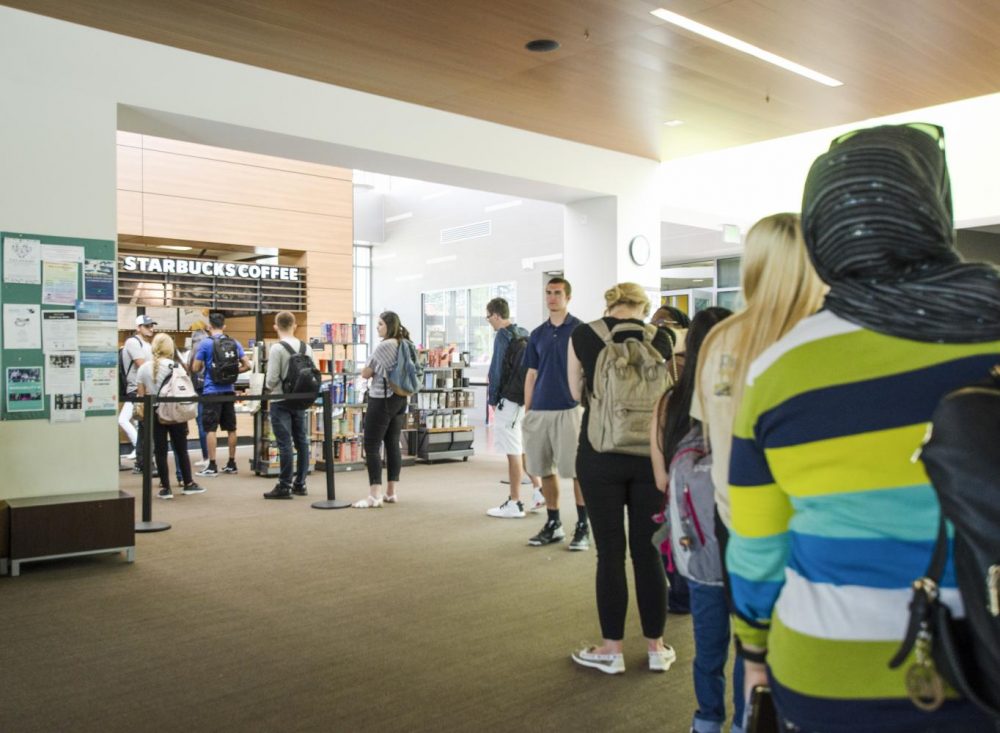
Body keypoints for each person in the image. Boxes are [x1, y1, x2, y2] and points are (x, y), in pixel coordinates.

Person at [727, 123, 1000, 733]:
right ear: (934, 209)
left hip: (827, 672)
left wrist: (751, 646)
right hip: (990, 666)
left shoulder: (780, 369)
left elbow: (758, 545)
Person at [684, 214, 824, 733]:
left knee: (750, 637)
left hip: (733, 513)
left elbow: (703, 428)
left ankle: (737, 720)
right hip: (806, 518)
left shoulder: (720, 338)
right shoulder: (820, 339)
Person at [566, 283, 676, 674]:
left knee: (610, 553)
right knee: (648, 553)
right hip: (651, 457)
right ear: (643, 306)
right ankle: (656, 648)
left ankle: (611, 650)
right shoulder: (662, 337)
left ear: (609, 304)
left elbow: (574, 390)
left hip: (599, 455)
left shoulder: (583, 335)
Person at [651, 307, 736, 729]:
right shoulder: (748, 391)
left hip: (697, 547)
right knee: (753, 643)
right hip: (748, 538)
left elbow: (661, 477)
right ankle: (748, 720)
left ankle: (707, 720)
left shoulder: (672, 400)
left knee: (709, 647)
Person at [521, 277, 589, 549]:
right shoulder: (537, 334)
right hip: (540, 411)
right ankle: (553, 523)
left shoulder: (581, 331)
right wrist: (529, 412)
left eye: (557, 293)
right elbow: (531, 375)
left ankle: (583, 526)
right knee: (543, 469)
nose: (551, 297)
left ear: (568, 297)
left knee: (576, 472)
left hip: (569, 411)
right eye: (548, 293)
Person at [484, 296, 545, 518]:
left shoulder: (503, 336)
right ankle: (538, 491)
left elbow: (496, 370)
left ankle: (515, 502)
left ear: (497, 315)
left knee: (513, 452)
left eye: (488, 316)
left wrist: (492, 400)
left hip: (508, 400)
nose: (488, 321)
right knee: (520, 446)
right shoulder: (523, 332)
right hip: (523, 399)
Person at [135, 333, 204, 500]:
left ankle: (165, 487)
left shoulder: (144, 368)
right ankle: (188, 483)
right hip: (176, 412)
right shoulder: (176, 367)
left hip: (155, 413)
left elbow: (141, 395)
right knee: (181, 449)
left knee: (160, 451)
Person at [354, 311, 410, 508]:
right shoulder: (404, 343)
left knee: (371, 445)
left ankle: (374, 495)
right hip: (401, 398)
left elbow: (366, 373)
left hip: (382, 398)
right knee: (392, 443)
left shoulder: (385, 345)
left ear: (389, 325)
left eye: (380, 324)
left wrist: (367, 369)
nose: (377, 327)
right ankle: (391, 492)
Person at [191, 312, 252, 477]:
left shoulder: (205, 344)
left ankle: (212, 465)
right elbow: (247, 365)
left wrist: (210, 369)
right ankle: (232, 463)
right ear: (224, 326)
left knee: (210, 428)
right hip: (229, 390)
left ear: (209, 327)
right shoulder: (234, 342)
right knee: (231, 428)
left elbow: (195, 368)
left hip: (211, 391)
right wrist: (232, 372)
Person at [262, 311, 311, 500]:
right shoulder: (306, 347)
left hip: (280, 400)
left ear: (276, 326)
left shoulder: (277, 348)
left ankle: (284, 485)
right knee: (302, 441)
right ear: (295, 325)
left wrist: (266, 386)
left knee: (285, 444)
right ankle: (301, 483)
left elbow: (272, 379)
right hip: (300, 400)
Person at [120, 315, 156, 473]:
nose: (151, 329)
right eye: (147, 326)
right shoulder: (133, 342)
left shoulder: (147, 344)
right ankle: (147, 463)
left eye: (152, 326)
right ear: (138, 327)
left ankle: (142, 462)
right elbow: (142, 366)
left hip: (147, 389)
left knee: (143, 427)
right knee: (145, 426)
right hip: (137, 389)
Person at [187, 323, 210, 468]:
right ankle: (209, 456)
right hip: (210, 389)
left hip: (197, 390)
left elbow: (190, 371)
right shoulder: (209, 349)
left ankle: (205, 456)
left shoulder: (192, 353)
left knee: (201, 424)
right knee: (209, 425)